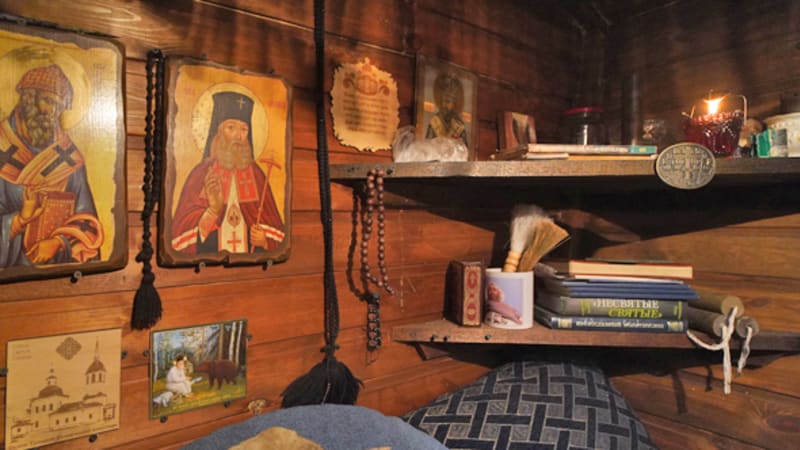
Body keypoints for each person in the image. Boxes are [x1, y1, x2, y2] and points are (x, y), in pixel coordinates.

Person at [0, 64, 102, 267]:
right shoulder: (2, 147)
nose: (53, 112)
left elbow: (86, 220)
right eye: (48, 101)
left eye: (59, 106)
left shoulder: (68, 157)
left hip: (58, 269)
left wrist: (59, 242)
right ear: (29, 98)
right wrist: (19, 221)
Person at [171, 91, 285, 254]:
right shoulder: (201, 174)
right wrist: (212, 211)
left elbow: (276, 231)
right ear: (218, 132)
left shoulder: (257, 175)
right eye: (231, 128)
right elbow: (179, 236)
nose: (238, 136)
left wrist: (264, 240)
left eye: (244, 129)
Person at [425, 72, 468, 146]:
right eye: (442, 101)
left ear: (454, 103)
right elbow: (427, 146)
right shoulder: (434, 122)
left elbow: (464, 149)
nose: (444, 105)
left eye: (448, 101)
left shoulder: (459, 125)